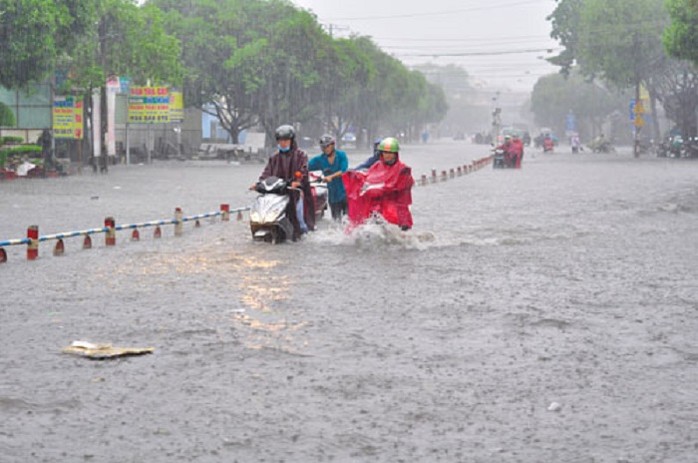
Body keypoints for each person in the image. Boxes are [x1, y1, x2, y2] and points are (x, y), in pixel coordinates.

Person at [250, 124, 315, 240]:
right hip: (278, 193)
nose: (283, 143)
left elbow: (303, 171)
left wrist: (297, 181)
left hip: (295, 193)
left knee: (299, 219)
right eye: (280, 141)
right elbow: (266, 173)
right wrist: (258, 184)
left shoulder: (301, 155)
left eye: (286, 140)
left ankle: (304, 235)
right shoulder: (274, 157)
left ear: (291, 140)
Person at [343, 137, 414, 231]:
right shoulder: (377, 165)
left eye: (390, 153)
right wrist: (354, 176)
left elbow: (403, 187)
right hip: (376, 207)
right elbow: (367, 177)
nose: (387, 155)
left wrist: (383, 189)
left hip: (396, 208)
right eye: (385, 152)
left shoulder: (403, 169)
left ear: (395, 154)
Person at [309, 134, 348, 221]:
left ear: (333, 145)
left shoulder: (341, 155)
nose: (325, 149)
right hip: (333, 197)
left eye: (327, 146)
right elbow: (305, 166)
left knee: (348, 220)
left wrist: (331, 176)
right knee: (336, 221)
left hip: (345, 194)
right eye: (323, 147)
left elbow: (343, 171)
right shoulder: (319, 160)